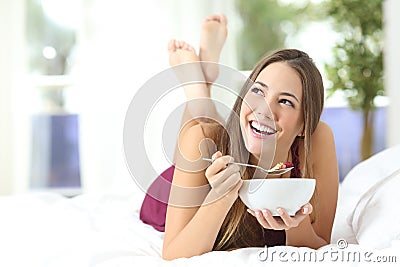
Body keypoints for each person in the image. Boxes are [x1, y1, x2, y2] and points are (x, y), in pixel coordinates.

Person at [161, 14, 339, 260]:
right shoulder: (200, 140)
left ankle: (202, 84)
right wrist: (221, 195)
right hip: (180, 184)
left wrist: (295, 223)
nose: (265, 110)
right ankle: (197, 90)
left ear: (304, 125)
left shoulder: (317, 139)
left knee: (206, 132)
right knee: (202, 133)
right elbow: (172, 254)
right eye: (258, 91)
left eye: (285, 101)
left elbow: (321, 243)